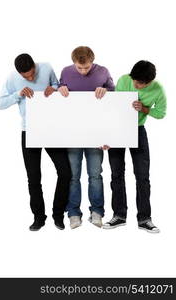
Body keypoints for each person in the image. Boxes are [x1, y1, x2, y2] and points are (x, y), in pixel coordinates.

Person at [0, 53, 71, 231]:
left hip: (51, 130)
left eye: (32, 74)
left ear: (35, 66)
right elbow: (0, 103)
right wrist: (18, 94)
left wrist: (53, 88)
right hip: (29, 131)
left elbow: (57, 85)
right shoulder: (12, 78)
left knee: (65, 173)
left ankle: (58, 215)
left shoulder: (46, 67)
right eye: (26, 77)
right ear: (19, 73)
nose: (30, 78)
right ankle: (39, 217)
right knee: (34, 178)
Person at [103, 60, 166, 233]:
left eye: (140, 83)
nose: (136, 85)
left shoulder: (158, 89)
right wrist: (106, 135)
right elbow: (111, 108)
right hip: (117, 128)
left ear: (150, 82)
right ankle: (119, 215)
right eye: (135, 81)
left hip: (138, 130)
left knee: (142, 176)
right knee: (116, 173)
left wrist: (145, 109)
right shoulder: (124, 80)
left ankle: (144, 218)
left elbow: (161, 113)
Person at [58, 46, 115, 229]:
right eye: (79, 68)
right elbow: (59, 89)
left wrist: (106, 90)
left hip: (96, 133)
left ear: (92, 61)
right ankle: (74, 213)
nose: (83, 71)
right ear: (73, 62)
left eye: (86, 67)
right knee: (73, 176)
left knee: (95, 175)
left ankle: (97, 212)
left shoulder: (103, 71)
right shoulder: (66, 72)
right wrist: (61, 89)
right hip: (72, 132)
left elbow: (115, 97)